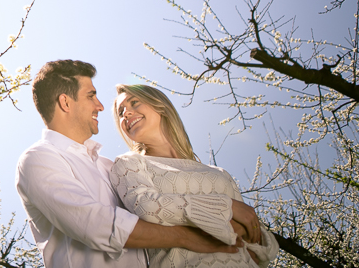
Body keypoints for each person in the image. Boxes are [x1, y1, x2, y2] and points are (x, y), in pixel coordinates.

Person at [16, 60, 242, 268]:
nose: (100, 106)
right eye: (91, 96)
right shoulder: (38, 159)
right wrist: (189, 237)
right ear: (65, 102)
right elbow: (97, 224)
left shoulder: (108, 167)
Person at [111, 84, 279, 268]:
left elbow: (258, 242)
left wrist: (244, 232)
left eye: (134, 103)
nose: (126, 113)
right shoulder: (129, 164)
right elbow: (147, 207)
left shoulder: (219, 174)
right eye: (120, 112)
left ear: (159, 105)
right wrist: (226, 207)